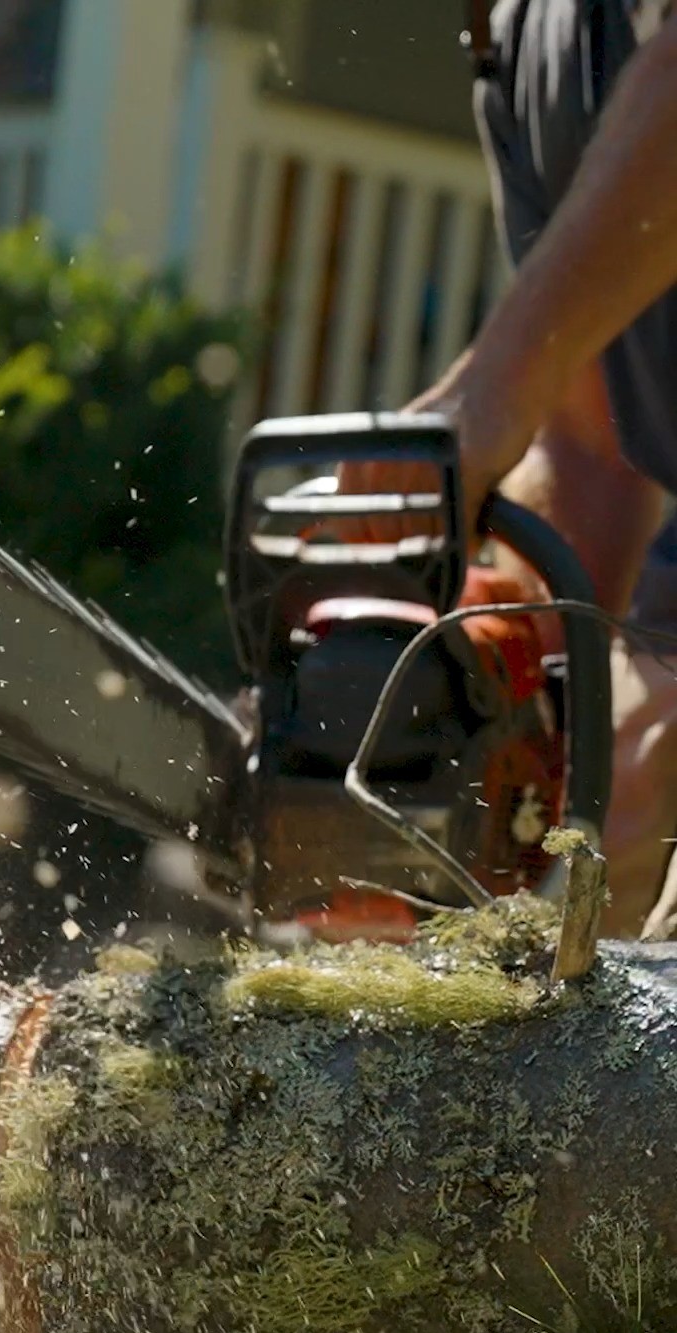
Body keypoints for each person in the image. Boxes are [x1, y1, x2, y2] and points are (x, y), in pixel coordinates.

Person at [359, 0, 677, 936]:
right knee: (611, 828)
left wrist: (485, 396)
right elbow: (591, 445)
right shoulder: (524, 30)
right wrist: (489, 666)